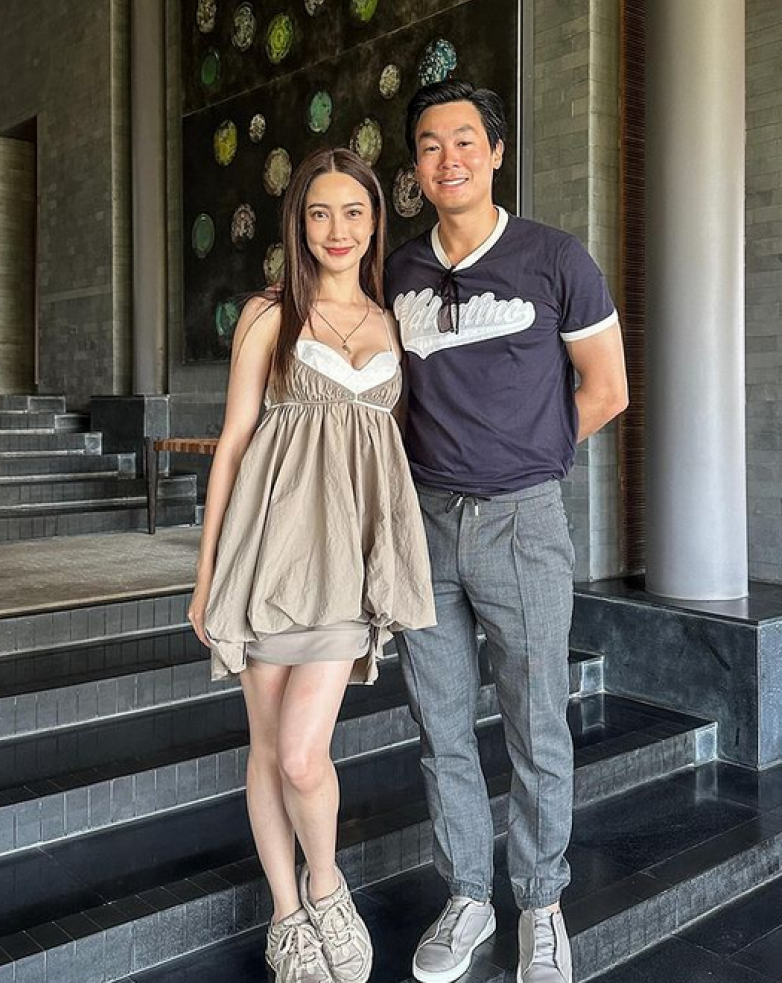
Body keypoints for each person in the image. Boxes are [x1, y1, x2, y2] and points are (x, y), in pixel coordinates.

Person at [385, 81, 629, 983]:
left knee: (536, 724)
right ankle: (467, 897)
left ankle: (541, 905)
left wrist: (527, 459)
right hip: (423, 526)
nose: (447, 158)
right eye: (429, 145)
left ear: (495, 151)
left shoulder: (554, 258)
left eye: (464, 141)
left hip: (522, 523)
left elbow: (607, 389)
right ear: (415, 168)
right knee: (440, 722)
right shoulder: (397, 272)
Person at [188, 147, 436, 983]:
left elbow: (388, 453)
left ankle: (326, 885)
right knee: (267, 749)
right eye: (319, 212)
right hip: (268, 552)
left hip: (345, 566)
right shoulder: (270, 313)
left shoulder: (393, 322)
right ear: (299, 223)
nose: (337, 229)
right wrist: (206, 575)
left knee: (302, 752)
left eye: (353, 212)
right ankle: (286, 916)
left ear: (375, 222)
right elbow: (232, 446)